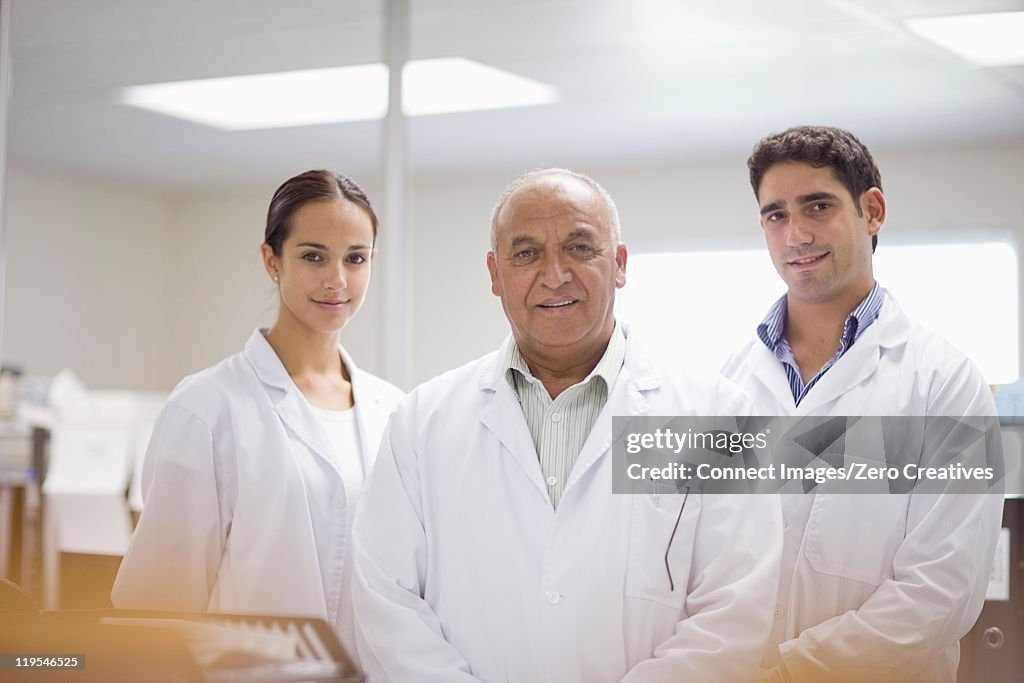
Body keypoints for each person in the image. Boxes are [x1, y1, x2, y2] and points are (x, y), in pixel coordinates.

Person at [351, 168, 782, 682]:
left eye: (580, 248)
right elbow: (387, 602)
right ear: (494, 273)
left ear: (619, 264)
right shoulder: (423, 424)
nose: (554, 274)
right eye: (527, 253)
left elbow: (735, 611)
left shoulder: (716, 415)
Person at [721, 126, 1003, 682]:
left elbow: (942, 589)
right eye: (775, 215)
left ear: (871, 211)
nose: (795, 233)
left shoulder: (944, 383)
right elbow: (698, 559)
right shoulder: (727, 382)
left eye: (817, 206)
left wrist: (787, 672)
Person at [112, 170, 404, 669]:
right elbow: (157, 602)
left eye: (355, 259)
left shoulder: (393, 410)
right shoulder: (207, 407)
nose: (337, 279)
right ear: (272, 261)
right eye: (313, 256)